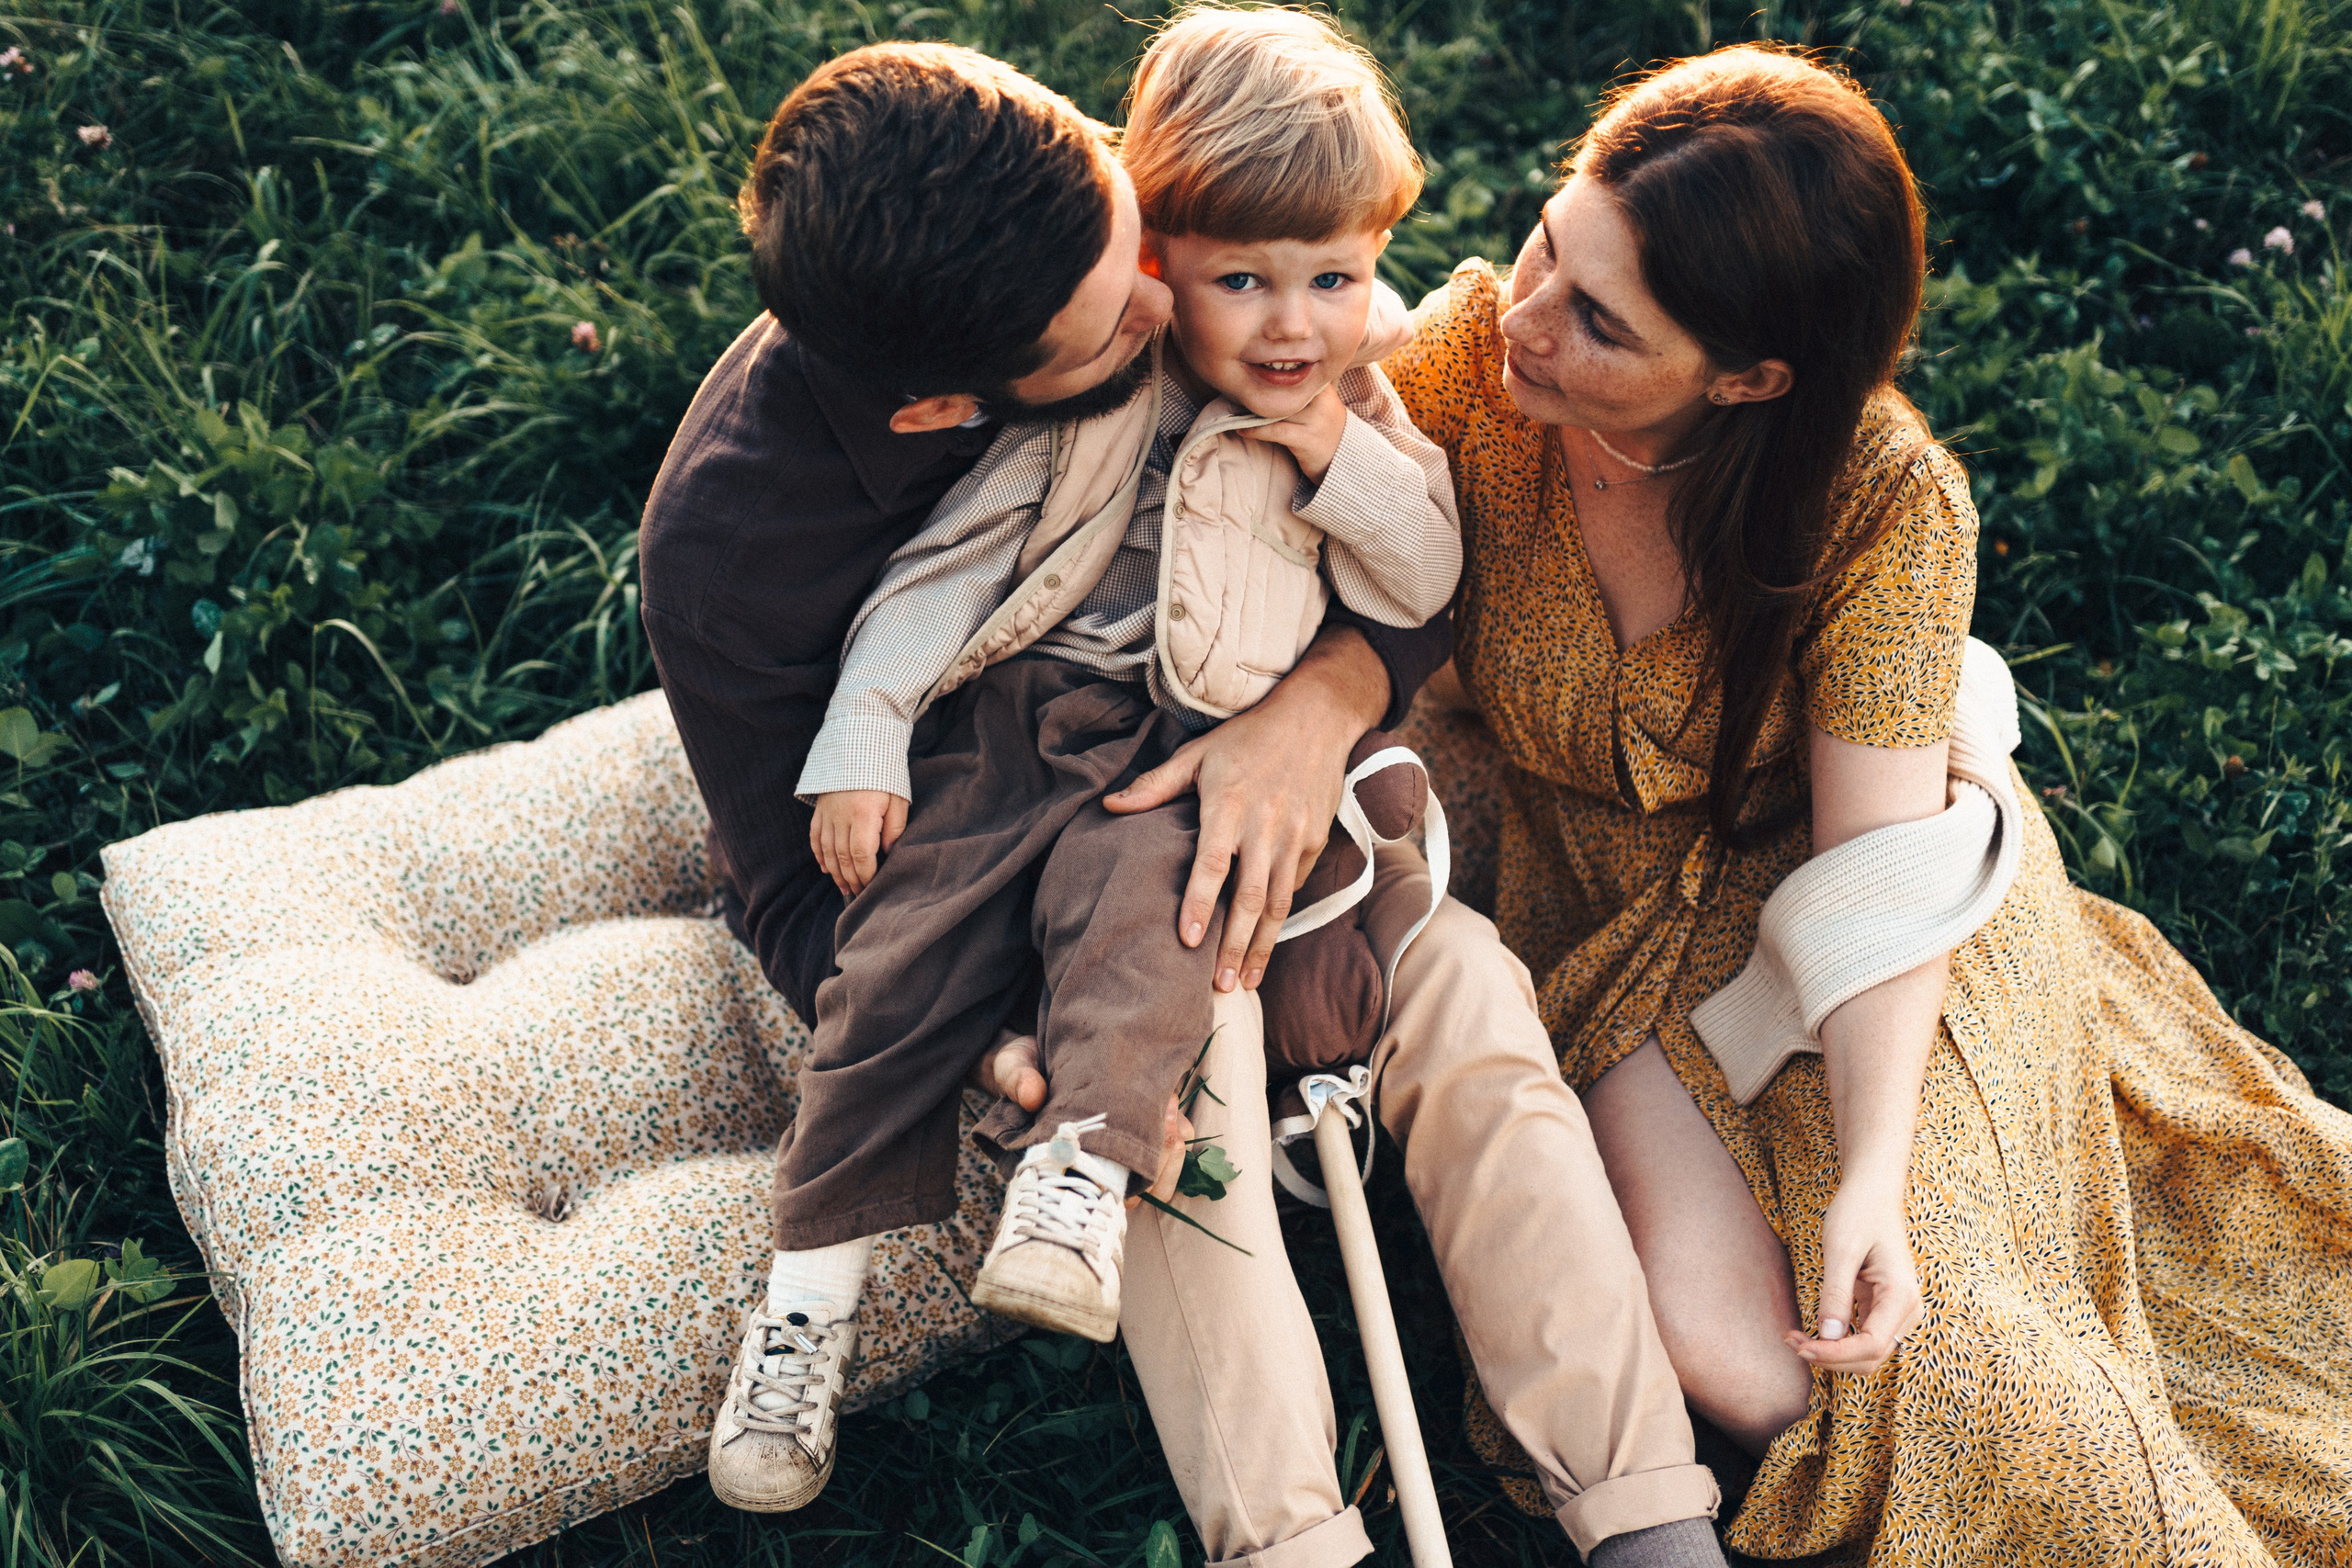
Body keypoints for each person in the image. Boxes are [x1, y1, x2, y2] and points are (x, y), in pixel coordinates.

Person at [641, 31, 1728, 1568]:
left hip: (1286, 778)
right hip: (1043, 853)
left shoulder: (1096, 224)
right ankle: (1289, 1541)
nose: (1169, 304)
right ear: (957, 413)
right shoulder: (731, 566)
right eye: (1132, 299)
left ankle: (1642, 1513)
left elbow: (1406, 539)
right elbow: (783, 881)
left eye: (1142, 235)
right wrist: (990, 1043)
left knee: (1471, 999)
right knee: (1171, 1084)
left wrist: (1313, 715)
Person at [1381, 42, 2352, 1564]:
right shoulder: (1474, 373)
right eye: (1546, 243)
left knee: (1955, 1350)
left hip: (1857, 927)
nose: (1526, 315)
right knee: (1750, 1367)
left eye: (1599, 319)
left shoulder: (1886, 497)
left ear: (1748, 378)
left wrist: (1874, 1181)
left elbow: (1876, 872)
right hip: (1609, 919)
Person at [774, 2, 1456, 1386]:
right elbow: (948, 573)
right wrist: (870, 726)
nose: (1291, 325)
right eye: (1243, 283)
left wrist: (1329, 441)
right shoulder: (1104, 399)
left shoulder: (1352, 409)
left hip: (1186, 751)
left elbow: (1427, 567)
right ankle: (802, 1310)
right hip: (1027, 723)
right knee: (895, 954)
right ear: (1158, 260)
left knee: (1158, 935)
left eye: (1334, 280)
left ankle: (1075, 1189)